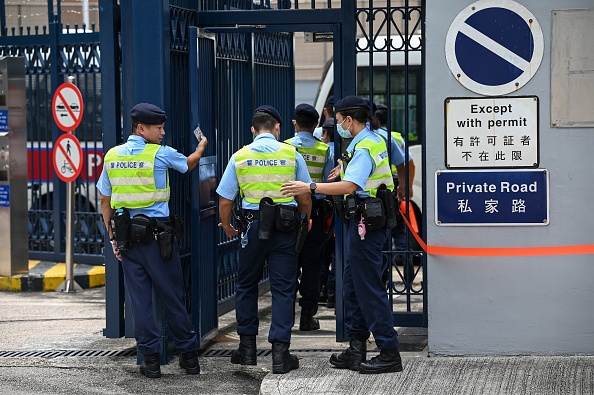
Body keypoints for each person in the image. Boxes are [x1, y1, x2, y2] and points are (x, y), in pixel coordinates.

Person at [281, 96, 406, 374]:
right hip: (366, 223)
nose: (337, 126)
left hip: (367, 226)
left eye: (338, 121)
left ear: (349, 120)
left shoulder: (363, 147)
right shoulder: (372, 141)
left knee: (368, 288)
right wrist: (344, 169)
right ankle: (356, 347)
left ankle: (389, 351)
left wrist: (310, 187)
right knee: (353, 285)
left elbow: (351, 186)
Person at [97, 103, 208, 378]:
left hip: (127, 240)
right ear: (141, 128)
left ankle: (150, 361)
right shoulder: (159, 154)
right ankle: (189, 357)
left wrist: (112, 237)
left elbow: (104, 199)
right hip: (159, 240)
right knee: (172, 296)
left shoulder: (112, 156)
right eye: (158, 128)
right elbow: (188, 164)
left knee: (140, 300)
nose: (163, 132)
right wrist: (201, 149)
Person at [216, 105, 312, 374]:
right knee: (283, 289)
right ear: (277, 128)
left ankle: (247, 349)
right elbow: (305, 196)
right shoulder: (291, 154)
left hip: (251, 227)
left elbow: (225, 199)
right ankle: (280, 355)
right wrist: (305, 221)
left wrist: (226, 225)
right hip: (286, 226)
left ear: (253, 130)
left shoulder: (240, 156)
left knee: (246, 285)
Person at [285, 103, 335, 331]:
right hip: (316, 210)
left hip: (289, 212)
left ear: (294, 123)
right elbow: (327, 185)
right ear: (316, 125)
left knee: (288, 261)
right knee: (313, 264)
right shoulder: (325, 150)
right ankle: (307, 316)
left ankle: (285, 315)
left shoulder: (283, 148)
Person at [318, 118, 336, 308]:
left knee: (321, 253)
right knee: (336, 252)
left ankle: (322, 290)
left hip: (321, 208)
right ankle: (333, 293)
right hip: (336, 206)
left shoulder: (324, 149)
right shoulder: (346, 149)